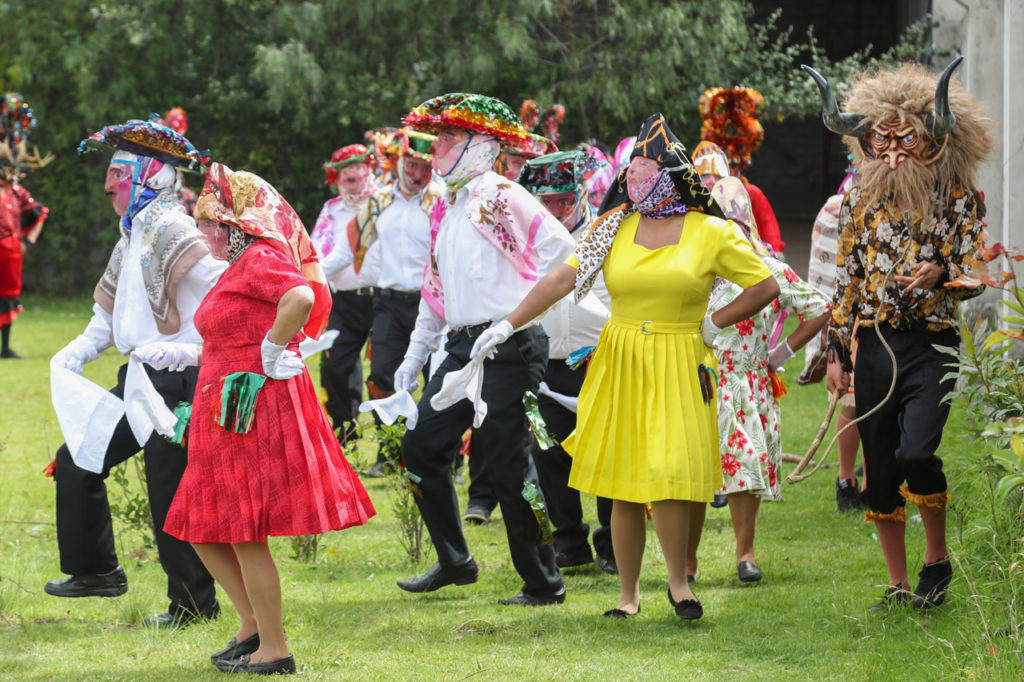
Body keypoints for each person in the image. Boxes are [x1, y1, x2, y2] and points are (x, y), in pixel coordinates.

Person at [472, 113, 778, 619]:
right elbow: (559, 280)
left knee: (673, 473)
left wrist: (711, 324)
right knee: (623, 479)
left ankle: (679, 584)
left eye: (645, 165)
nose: (633, 174)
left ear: (670, 171)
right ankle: (628, 596)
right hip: (620, 358)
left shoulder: (711, 230)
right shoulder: (612, 225)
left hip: (681, 357)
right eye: (630, 166)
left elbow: (764, 285)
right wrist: (507, 324)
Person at [135, 162, 375, 675]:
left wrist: (271, 350)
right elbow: (233, 332)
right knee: (201, 524)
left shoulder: (260, 256)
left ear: (232, 223)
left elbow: (301, 295)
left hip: (248, 407)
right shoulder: (237, 267)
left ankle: (275, 648)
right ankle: (250, 626)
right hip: (221, 403)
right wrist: (185, 355)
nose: (201, 233)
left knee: (243, 529)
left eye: (206, 223)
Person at [806, 57, 994, 610]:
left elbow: (975, 272)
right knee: (881, 472)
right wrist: (836, 349)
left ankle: (936, 559)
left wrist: (941, 273)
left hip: (932, 343)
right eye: (881, 141)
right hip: (875, 345)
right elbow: (847, 280)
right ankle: (898, 582)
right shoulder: (857, 203)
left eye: (906, 139)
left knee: (917, 453)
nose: (893, 150)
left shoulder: (961, 198)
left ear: (932, 141)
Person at [393, 92, 571, 606]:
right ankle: (455, 560)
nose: (438, 149)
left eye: (449, 138)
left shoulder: (501, 196)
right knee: (420, 447)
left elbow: (566, 261)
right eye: (439, 138)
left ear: (481, 144)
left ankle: (543, 582)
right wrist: (412, 356)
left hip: (510, 346)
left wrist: (513, 322)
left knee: (510, 469)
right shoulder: (446, 205)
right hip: (460, 347)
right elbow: (435, 290)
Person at [45, 120, 221, 628]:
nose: (107, 185)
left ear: (149, 176)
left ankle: (194, 606)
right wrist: (78, 350)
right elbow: (111, 310)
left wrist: (191, 349)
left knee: (169, 492)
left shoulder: (175, 229)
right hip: (141, 375)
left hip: (180, 380)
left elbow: (227, 291)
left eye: (118, 173)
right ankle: (96, 571)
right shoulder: (136, 231)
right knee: (78, 456)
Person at [686, 176, 830, 584]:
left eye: (737, 224)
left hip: (748, 385)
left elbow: (820, 308)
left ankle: (745, 554)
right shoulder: (698, 267)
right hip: (702, 381)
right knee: (695, 472)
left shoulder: (767, 267)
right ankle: (687, 563)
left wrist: (779, 354)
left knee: (745, 467)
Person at [517, 150, 616, 574]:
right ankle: (569, 540)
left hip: (602, 360)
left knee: (611, 455)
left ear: (580, 192)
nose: (556, 209)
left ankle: (613, 545)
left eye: (563, 200)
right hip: (546, 361)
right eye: (546, 202)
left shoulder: (606, 231)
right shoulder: (526, 241)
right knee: (547, 449)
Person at [354, 129, 444, 477]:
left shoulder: (441, 201)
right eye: (412, 165)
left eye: (424, 166)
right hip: (389, 302)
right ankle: (390, 452)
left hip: (432, 302)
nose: (417, 174)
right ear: (399, 161)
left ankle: (444, 455)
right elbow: (352, 249)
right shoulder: (377, 201)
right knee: (381, 374)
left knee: (437, 377)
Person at [800, 170, 865, 512]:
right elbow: (827, 276)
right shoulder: (838, 207)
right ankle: (846, 479)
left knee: (883, 402)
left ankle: (873, 479)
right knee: (852, 400)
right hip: (851, 321)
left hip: (885, 319)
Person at [309, 143, 379, 444]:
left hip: (385, 298)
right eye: (344, 173)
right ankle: (344, 434)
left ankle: (390, 450)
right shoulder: (331, 210)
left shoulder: (384, 203)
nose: (352, 175)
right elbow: (316, 249)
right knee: (335, 366)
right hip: (345, 300)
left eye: (358, 169)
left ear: (369, 170)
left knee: (384, 373)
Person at [698, 87, 786, 256]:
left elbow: (769, 224)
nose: (728, 171)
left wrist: (775, 250)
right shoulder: (708, 191)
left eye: (732, 166)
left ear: (741, 167)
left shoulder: (751, 192)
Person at [0, 92, 49, 359]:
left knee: (6, 300)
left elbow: (40, 213)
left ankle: (4, 348)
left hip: (9, 255)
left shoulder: (17, 192)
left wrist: (28, 242)